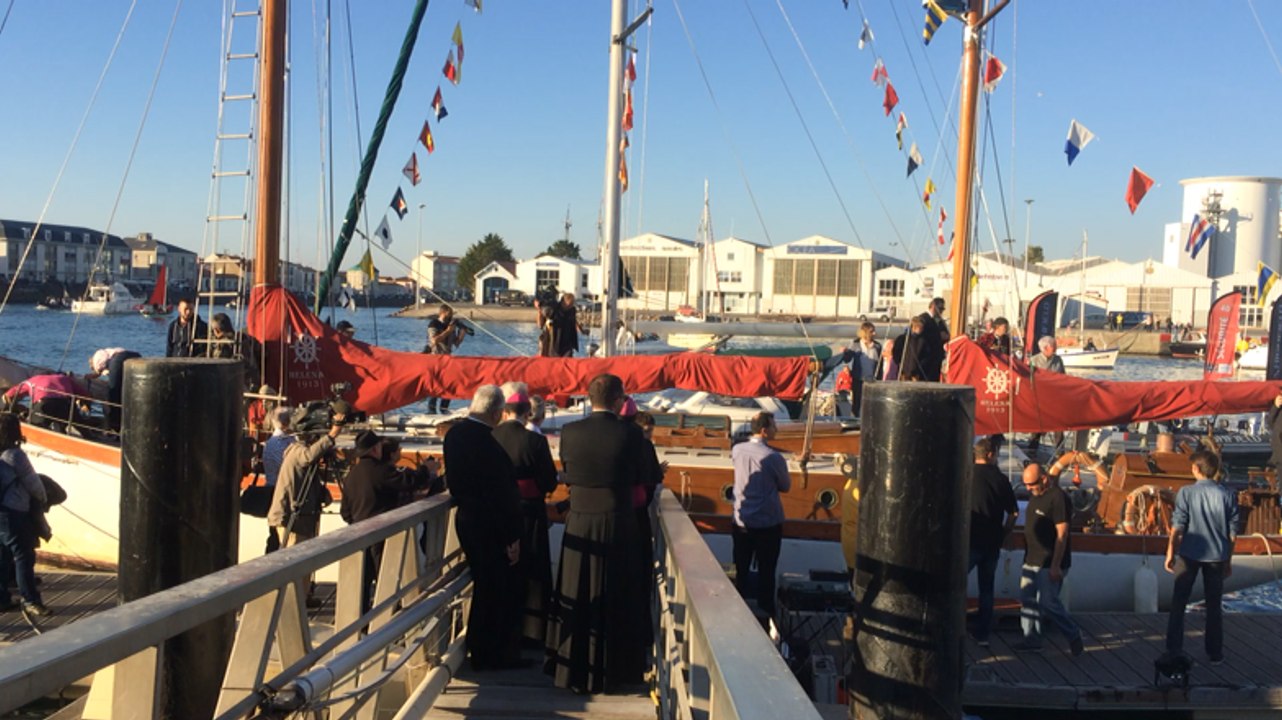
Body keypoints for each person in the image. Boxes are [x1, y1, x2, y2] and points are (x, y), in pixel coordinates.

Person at [546, 373, 646, 694]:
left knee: (577, 592)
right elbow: (642, 475)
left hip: (579, 518)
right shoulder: (631, 434)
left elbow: (568, 468)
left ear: (590, 399)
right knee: (617, 593)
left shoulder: (570, 431)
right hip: (618, 520)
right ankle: (616, 669)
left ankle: (570, 668)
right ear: (619, 400)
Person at [446, 385, 524, 671]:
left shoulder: (455, 435)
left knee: (484, 586)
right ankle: (490, 653)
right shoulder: (488, 445)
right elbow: (501, 495)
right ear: (496, 413)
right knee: (494, 590)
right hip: (490, 526)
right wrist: (512, 537)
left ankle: (481, 650)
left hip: (467, 519)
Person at [492, 388, 559, 645]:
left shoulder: (492, 436)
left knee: (503, 569)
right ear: (527, 414)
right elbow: (549, 482)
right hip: (529, 512)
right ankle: (532, 632)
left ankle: (502, 627)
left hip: (498, 511)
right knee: (533, 568)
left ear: (505, 412)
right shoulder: (535, 441)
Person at [1165, 450, 1237, 665]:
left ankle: (1174, 648)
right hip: (1217, 555)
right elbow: (1232, 532)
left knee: (1178, 603)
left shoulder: (1186, 492)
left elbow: (1178, 526)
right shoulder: (1227, 494)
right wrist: (1229, 559)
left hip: (1189, 553)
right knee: (1214, 606)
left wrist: (1170, 552)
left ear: (1196, 469)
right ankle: (1215, 653)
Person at [1014, 461, 1084, 656]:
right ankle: (1031, 638)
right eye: (1025, 485)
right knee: (1027, 600)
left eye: (1032, 484)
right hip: (1032, 558)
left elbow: (1062, 533)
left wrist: (1055, 565)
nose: (1028, 488)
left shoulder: (1058, 498)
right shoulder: (1035, 497)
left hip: (1049, 561)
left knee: (1048, 602)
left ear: (1044, 478)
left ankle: (1072, 633)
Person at [731, 411, 792, 617]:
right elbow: (785, 486)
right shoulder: (774, 457)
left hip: (741, 521)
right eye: (774, 427)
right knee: (767, 572)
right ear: (765, 431)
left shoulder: (737, 450)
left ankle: (739, 612)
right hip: (767, 524)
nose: (777, 430)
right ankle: (766, 613)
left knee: (742, 570)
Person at [268, 410, 343, 551]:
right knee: (294, 565)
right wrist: (331, 436)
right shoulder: (298, 451)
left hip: (300, 520)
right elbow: (308, 456)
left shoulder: (295, 450)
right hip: (291, 520)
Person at [969, 437, 1018, 646]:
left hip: (969, 540)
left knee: (955, 583)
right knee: (986, 589)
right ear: (990, 455)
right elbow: (1014, 512)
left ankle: (948, 628)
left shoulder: (966, 475)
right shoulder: (1001, 479)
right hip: (992, 542)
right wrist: (1005, 532)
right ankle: (982, 635)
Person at [0, 413, 50, 616]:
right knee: (24, 556)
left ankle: (2, 598)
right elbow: (34, 484)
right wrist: (43, 498)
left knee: (2, 556)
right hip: (14, 512)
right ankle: (30, 600)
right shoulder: (15, 455)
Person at [2, 373, 94, 436]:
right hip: (65, 404)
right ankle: (89, 437)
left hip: (44, 403)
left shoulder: (34, 379)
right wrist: (83, 405)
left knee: (36, 428)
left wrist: (14, 406)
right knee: (83, 429)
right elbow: (86, 396)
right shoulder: (65, 379)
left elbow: (8, 395)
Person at [259, 406, 294, 553]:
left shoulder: (272, 442)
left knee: (274, 535)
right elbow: (290, 469)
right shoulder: (284, 443)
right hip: (282, 493)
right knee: (280, 537)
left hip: (273, 490)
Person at [1026, 336, 1065, 456]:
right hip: (1039, 398)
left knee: (1059, 426)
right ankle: (1032, 451)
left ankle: (1060, 453)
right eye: (1054, 345)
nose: (1056, 347)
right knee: (1037, 427)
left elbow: (1063, 377)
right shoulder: (1034, 360)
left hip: (1055, 398)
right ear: (1046, 348)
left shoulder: (1058, 360)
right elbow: (1028, 381)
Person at [88, 347, 142, 434]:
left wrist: (95, 374)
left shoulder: (96, 360)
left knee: (113, 394)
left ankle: (114, 427)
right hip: (134, 355)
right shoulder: (109, 350)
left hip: (118, 360)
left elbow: (100, 369)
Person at [425, 305, 466, 414]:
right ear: (442, 313)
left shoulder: (450, 326)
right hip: (435, 357)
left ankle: (444, 408)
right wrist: (448, 331)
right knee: (436, 385)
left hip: (448, 358)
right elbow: (434, 340)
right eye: (449, 314)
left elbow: (456, 343)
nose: (450, 317)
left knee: (450, 384)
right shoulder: (434, 324)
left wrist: (462, 333)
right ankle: (431, 410)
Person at [848, 322, 881, 416]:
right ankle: (855, 420)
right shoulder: (855, 344)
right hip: (858, 379)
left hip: (872, 380)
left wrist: (879, 379)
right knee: (857, 402)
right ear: (865, 332)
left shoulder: (877, 346)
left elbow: (880, 364)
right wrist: (845, 352)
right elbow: (847, 359)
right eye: (872, 331)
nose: (874, 333)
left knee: (871, 403)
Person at [553, 293, 585, 357]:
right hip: (557, 339)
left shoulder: (572, 310)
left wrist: (580, 329)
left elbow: (573, 321)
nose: (571, 306)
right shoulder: (555, 309)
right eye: (570, 304)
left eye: (572, 303)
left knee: (568, 357)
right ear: (563, 302)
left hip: (568, 340)